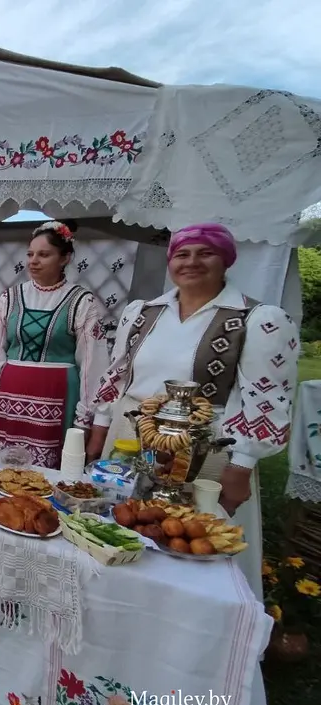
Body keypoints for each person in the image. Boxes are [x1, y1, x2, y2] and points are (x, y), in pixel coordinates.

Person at [87, 223, 299, 600]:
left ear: (226, 260)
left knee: (191, 535)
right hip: (131, 434)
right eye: (182, 254)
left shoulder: (256, 319)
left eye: (205, 253)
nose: (191, 262)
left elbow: (265, 398)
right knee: (123, 521)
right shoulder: (143, 313)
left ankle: (192, 616)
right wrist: (99, 428)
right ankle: (117, 604)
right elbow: (118, 374)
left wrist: (242, 465)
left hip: (205, 446)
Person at [0, 221, 110, 468]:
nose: (33, 261)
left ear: (64, 258)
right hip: (11, 397)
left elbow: (93, 363)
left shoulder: (81, 301)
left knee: (47, 470)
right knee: (4, 467)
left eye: (44, 255)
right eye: (30, 254)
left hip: (56, 396)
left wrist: (86, 418)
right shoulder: (10, 297)